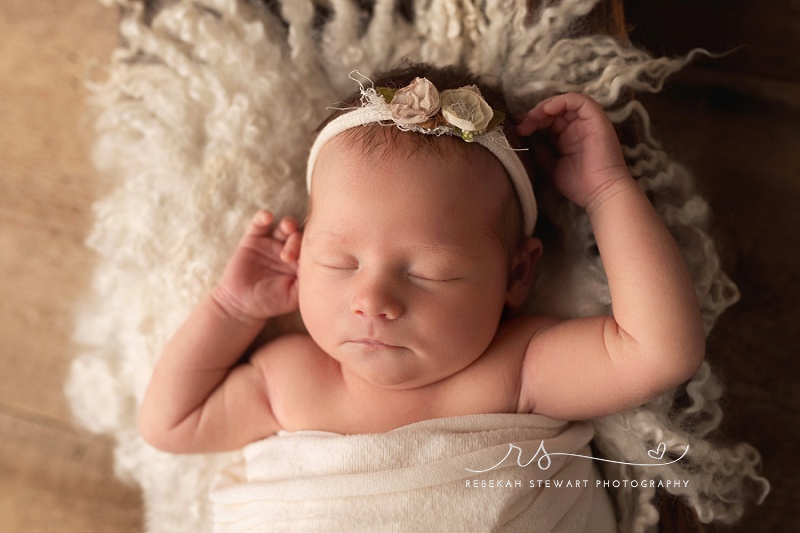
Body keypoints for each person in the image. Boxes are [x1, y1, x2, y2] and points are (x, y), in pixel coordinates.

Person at [138, 64, 705, 455]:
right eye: (338, 261)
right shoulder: (287, 377)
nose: (373, 301)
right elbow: (169, 423)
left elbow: (660, 350)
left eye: (429, 272)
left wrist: (606, 190)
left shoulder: (517, 369)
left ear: (517, 274)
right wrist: (233, 309)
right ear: (300, 252)